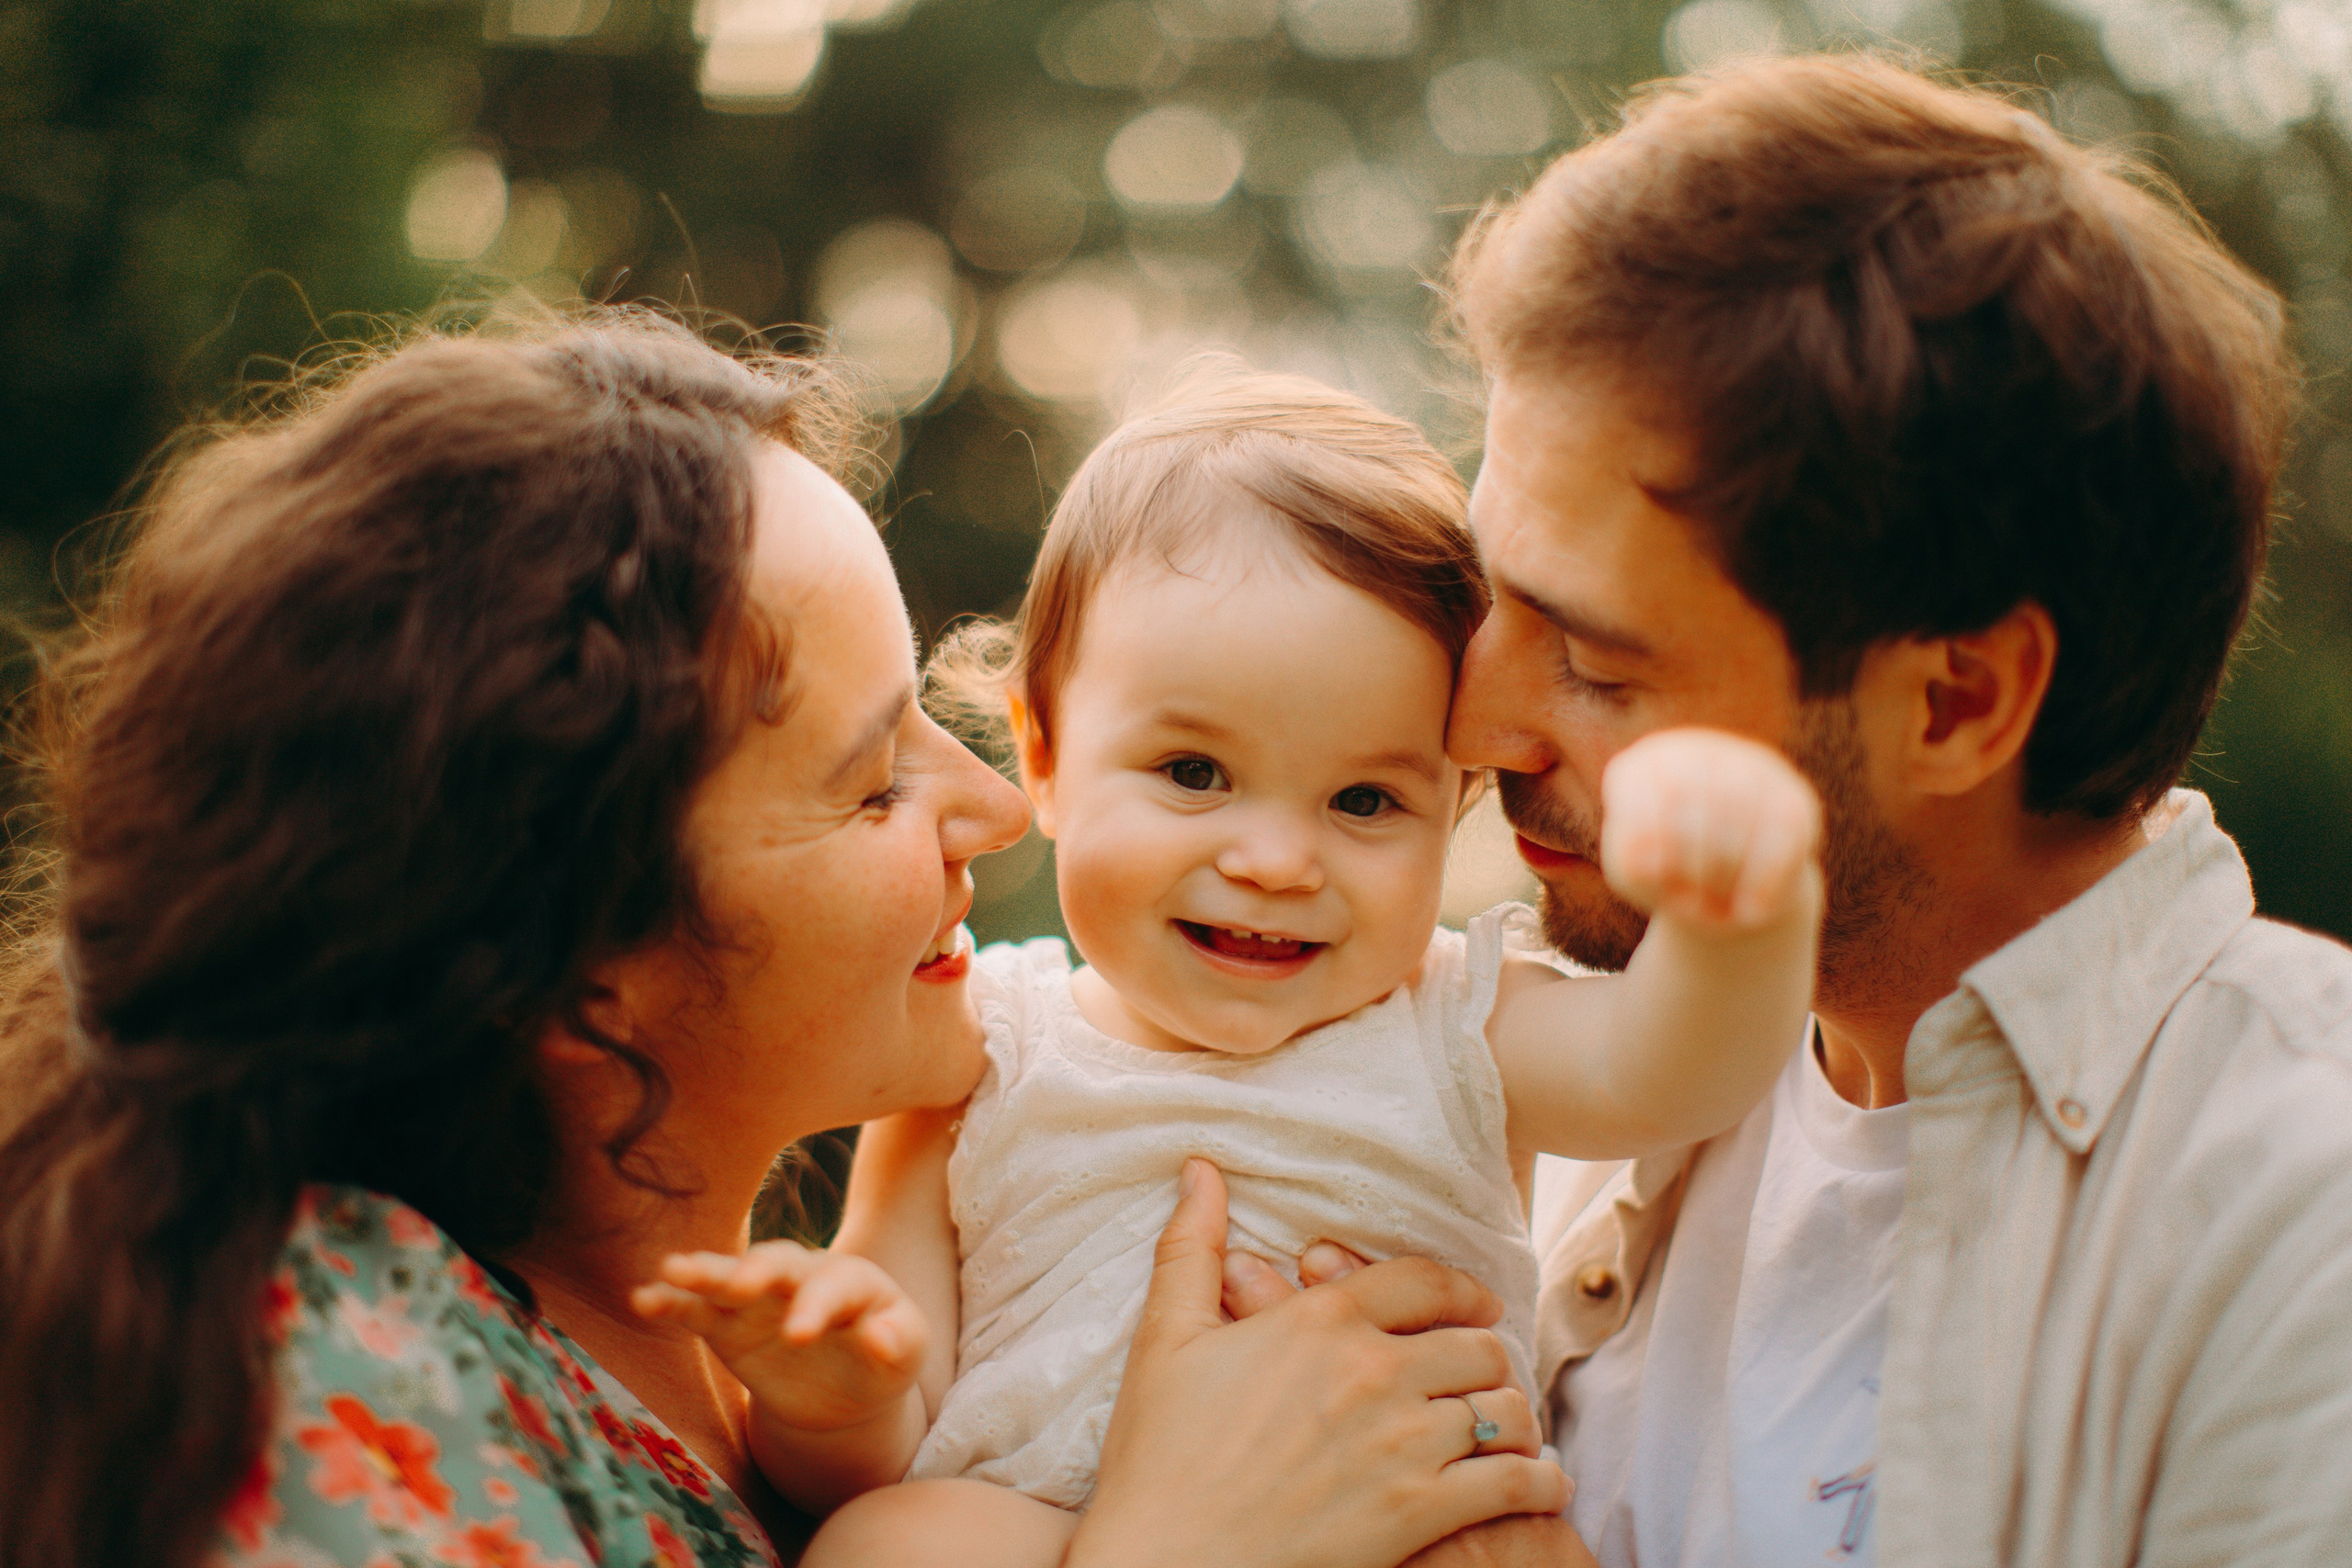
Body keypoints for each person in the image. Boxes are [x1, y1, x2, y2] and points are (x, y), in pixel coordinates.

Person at [0, 312, 1566, 1568]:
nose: (994, 810)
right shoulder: (333, 1359)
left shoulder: (809, 1343)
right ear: (584, 947)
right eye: (875, 777)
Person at [635, 365, 1827, 1566]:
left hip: (1403, 1527)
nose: (1272, 860)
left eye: (1364, 799)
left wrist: (1745, 907)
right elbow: (887, 1441)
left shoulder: (1457, 1025)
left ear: (1453, 807)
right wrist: (836, 1395)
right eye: (1195, 773)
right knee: (892, 1538)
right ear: (1044, 754)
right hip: (1053, 1530)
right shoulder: (979, 1055)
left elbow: (1677, 1069)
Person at [1418, 51, 2352, 1568]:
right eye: (1486, 599)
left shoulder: (2302, 1221)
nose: (1475, 720)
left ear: (1958, 702)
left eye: (1594, 659)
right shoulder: (1572, 1089)